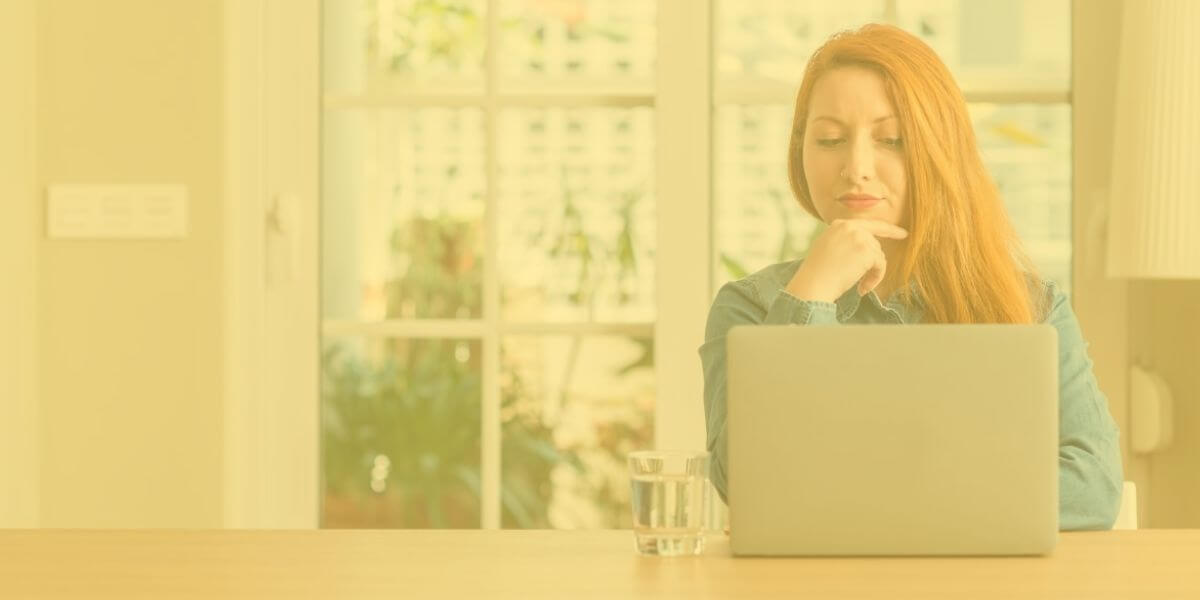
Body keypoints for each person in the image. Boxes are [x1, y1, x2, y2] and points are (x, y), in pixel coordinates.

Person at [699, 24, 1123, 531]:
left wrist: (862, 497)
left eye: (891, 139)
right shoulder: (749, 307)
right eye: (830, 138)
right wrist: (810, 296)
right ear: (800, 150)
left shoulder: (1030, 305)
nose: (856, 167)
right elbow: (748, 484)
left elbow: (1091, 487)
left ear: (939, 150)